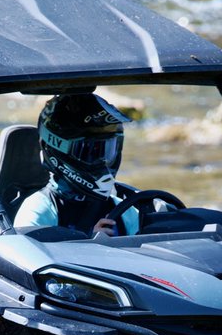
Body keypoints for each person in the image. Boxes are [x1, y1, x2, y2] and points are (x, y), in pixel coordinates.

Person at [13, 92, 141, 237]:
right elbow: (31, 257)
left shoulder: (125, 211)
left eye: (108, 151)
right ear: (57, 149)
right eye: (90, 152)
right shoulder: (38, 210)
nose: (102, 161)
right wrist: (89, 241)